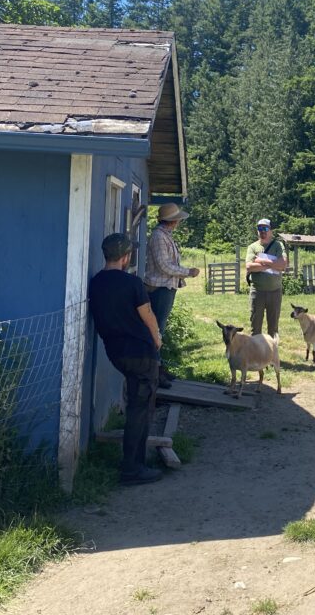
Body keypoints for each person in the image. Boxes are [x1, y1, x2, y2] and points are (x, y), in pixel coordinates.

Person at [88, 232, 164, 485]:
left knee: (136, 405)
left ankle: (136, 463)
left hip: (116, 351)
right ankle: (132, 469)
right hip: (141, 353)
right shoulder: (132, 283)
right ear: (125, 256)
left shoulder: (96, 282)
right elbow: (148, 315)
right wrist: (157, 339)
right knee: (140, 411)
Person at [144, 203, 201, 388]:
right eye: (177, 219)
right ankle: (154, 372)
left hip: (164, 287)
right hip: (160, 288)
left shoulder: (164, 235)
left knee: (159, 329)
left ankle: (158, 369)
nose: (178, 222)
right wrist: (187, 272)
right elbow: (164, 266)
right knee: (156, 330)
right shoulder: (159, 237)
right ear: (172, 221)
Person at [245, 218, 287, 336]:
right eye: (259, 228)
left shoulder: (278, 245)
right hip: (257, 292)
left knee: (273, 328)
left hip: (275, 292)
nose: (262, 231)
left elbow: (283, 265)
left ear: (270, 230)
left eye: (265, 228)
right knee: (255, 326)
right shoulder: (252, 247)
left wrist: (262, 261)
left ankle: (272, 352)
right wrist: (272, 265)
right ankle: (256, 352)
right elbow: (249, 267)